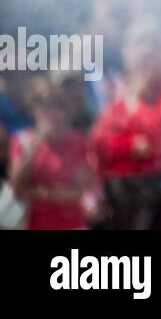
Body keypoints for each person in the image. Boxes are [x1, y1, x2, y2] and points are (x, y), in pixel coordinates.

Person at [90, 21, 161, 229]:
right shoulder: (118, 104)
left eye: (152, 46)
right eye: (138, 46)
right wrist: (131, 145)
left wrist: (138, 99)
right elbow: (100, 146)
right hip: (123, 202)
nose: (145, 53)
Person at [7, 76, 95, 230]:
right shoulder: (22, 141)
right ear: (33, 108)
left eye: (58, 104)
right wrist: (37, 143)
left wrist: (42, 193)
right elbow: (17, 189)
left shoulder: (78, 141)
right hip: (34, 224)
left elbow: (80, 192)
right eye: (44, 104)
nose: (52, 111)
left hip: (73, 224)